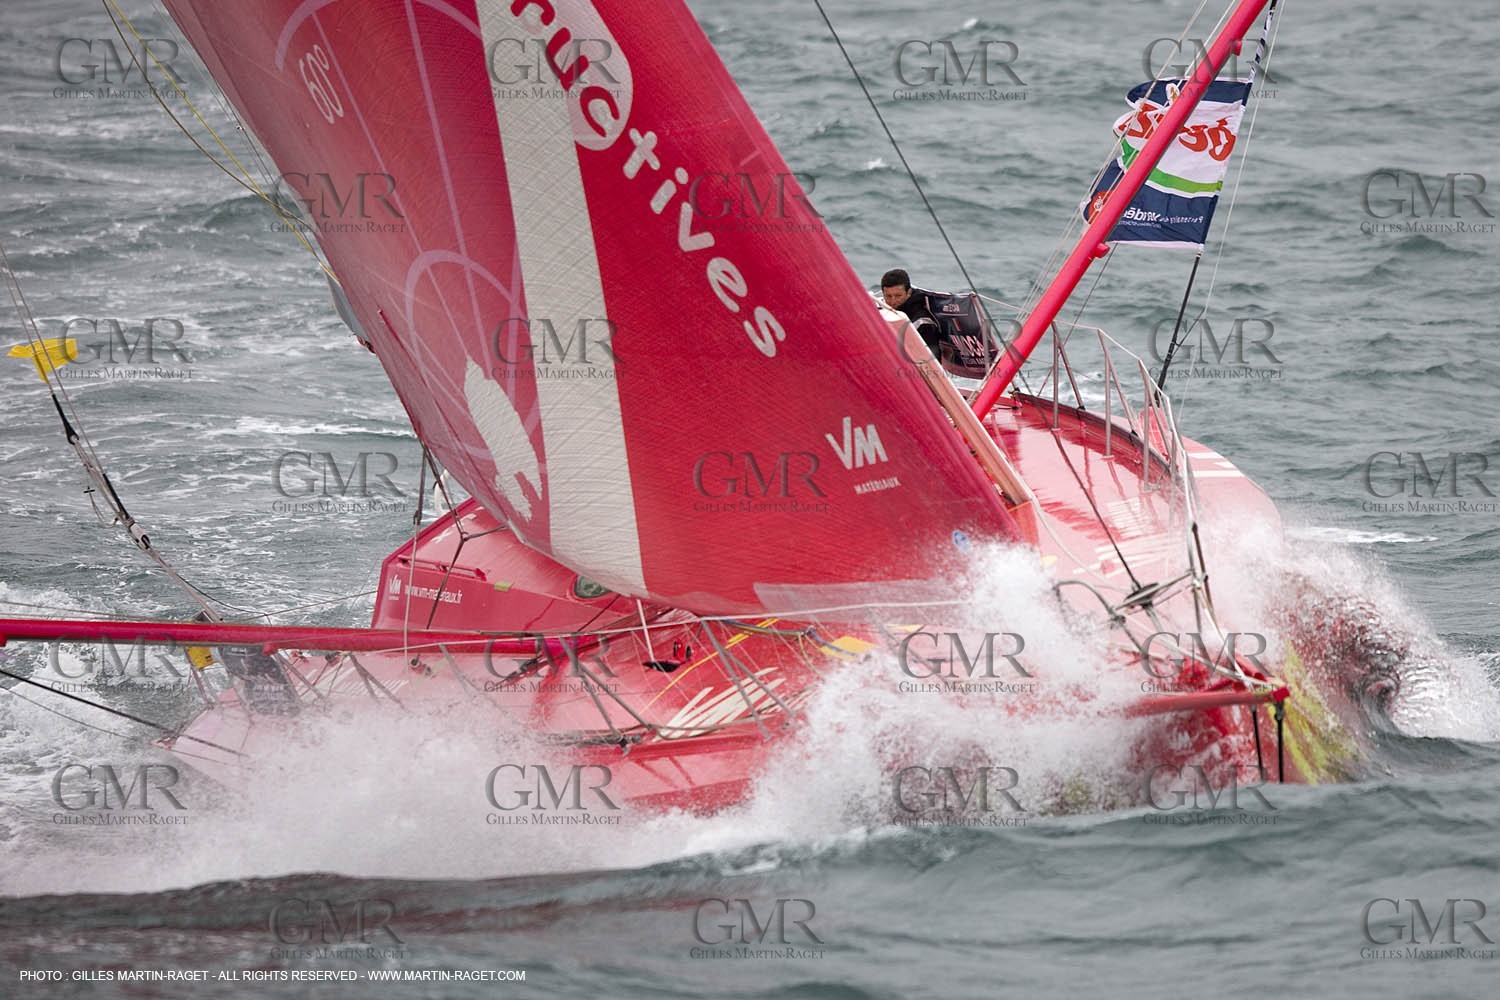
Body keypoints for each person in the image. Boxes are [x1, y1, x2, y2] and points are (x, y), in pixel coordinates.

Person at [879, 268, 942, 356]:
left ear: (909, 292)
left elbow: (932, 361)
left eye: (898, 296)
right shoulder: (878, 309)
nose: (893, 301)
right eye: (888, 296)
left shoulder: (922, 323)